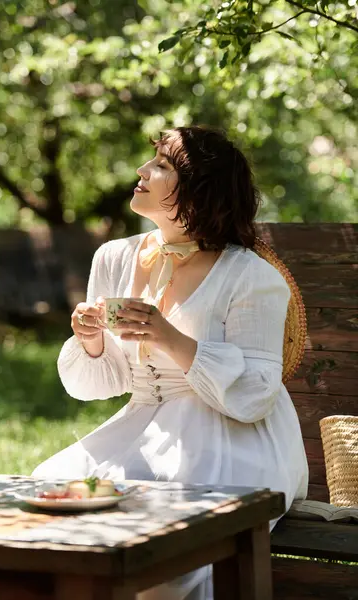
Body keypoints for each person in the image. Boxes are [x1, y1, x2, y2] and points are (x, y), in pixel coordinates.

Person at [32, 125, 309, 600]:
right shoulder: (115, 257)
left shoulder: (251, 276)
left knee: (166, 550)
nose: (142, 171)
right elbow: (105, 382)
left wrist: (170, 338)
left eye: (160, 165)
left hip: (234, 436)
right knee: (47, 496)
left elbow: (256, 394)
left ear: (200, 190)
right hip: (146, 427)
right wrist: (92, 340)